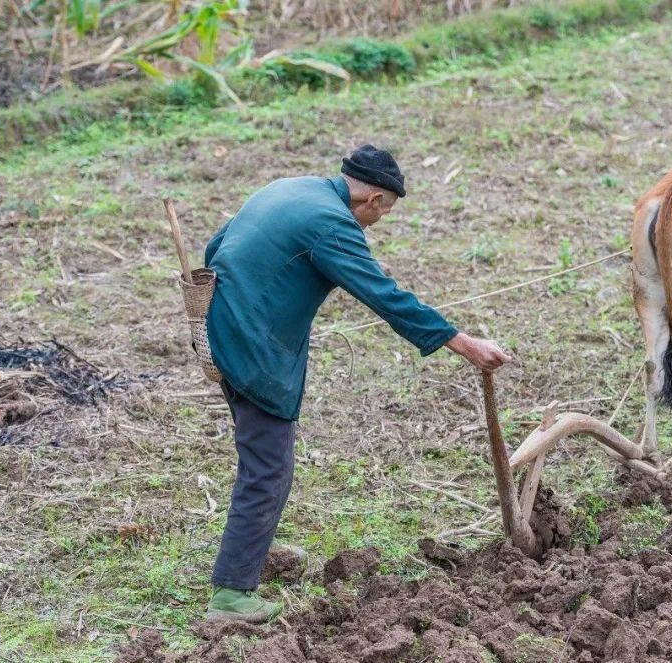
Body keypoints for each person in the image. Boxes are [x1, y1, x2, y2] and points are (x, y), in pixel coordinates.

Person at [201, 144, 511, 622]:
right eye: (385, 210)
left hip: (217, 328)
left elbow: (215, 248)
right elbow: (383, 295)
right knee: (269, 466)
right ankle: (231, 594)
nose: (380, 219)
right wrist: (461, 342)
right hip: (252, 346)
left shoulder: (291, 188)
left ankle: (252, 548)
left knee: (261, 455)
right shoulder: (333, 223)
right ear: (374, 200)